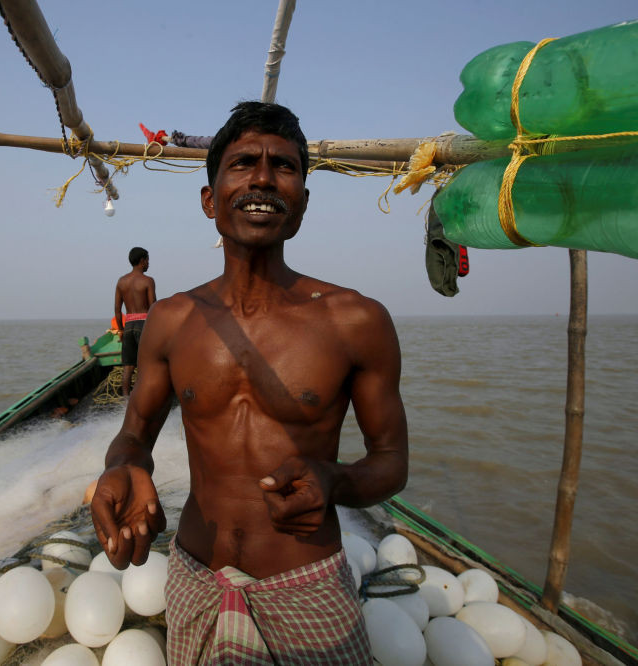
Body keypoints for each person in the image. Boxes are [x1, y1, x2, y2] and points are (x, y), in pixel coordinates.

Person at [91, 102, 408, 665]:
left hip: (307, 583)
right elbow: (135, 432)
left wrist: (333, 479)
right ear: (209, 200)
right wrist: (123, 467)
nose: (262, 178)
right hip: (197, 575)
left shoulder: (356, 321)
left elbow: (391, 461)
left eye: (283, 165)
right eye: (242, 163)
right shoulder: (173, 320)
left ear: (302, 201)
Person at [114, 246, 156, 396]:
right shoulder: (148, 281)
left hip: (129, 325)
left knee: (128, 367)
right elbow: (153, 307)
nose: (148, 264)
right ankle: (146, 396)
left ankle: (126, 401)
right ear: (142, 261)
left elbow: (117, 310)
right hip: (144, 324)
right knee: (148, 364)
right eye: (148, 260)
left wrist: (121, 330)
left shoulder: (121, 282)